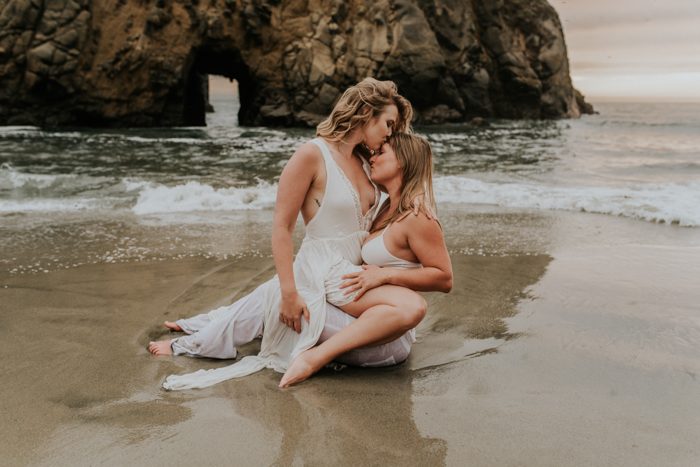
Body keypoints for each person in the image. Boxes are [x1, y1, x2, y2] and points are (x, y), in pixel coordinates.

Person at [150, 78, 418, 390]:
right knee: (278, 292)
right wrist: (291, 294)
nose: (390, 133)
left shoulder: (366, 161)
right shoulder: (312, 155)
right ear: (366, 112)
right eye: (388, 123)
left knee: (276, 293)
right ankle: (195, 342)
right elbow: (282, 227)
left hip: (352, 271)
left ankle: (210, 325)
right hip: (321, 266)